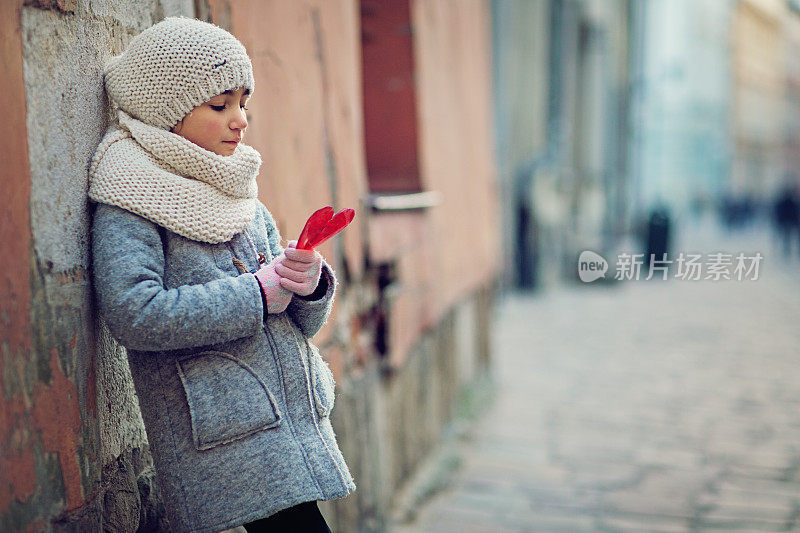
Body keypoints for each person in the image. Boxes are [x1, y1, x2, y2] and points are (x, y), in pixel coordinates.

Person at [88, 17, 355, 533]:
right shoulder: (131, 196)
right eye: (219, 105)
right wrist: (257, 291)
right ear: (168, 110)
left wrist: (308, 285)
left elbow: (296, 320)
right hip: (222, 431)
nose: (240, 120)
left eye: (243, 103)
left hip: (283, 421)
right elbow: (134, 313)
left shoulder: (235, 187)